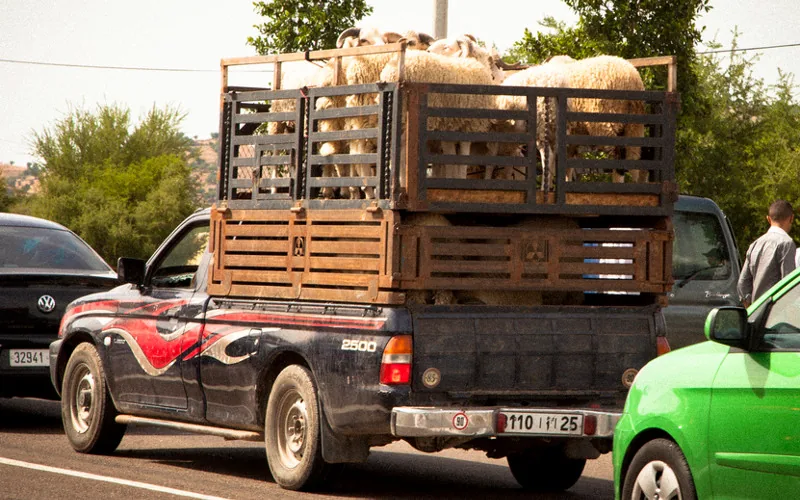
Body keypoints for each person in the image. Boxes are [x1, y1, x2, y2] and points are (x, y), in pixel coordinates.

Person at [737, 199, 797, 308]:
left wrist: (751, 309)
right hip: (776, 314)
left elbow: (742, 283)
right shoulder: (786, 243)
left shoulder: (755, 244)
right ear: (791, 218)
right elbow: (789, 285)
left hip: (756, 315)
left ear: (768, 219)